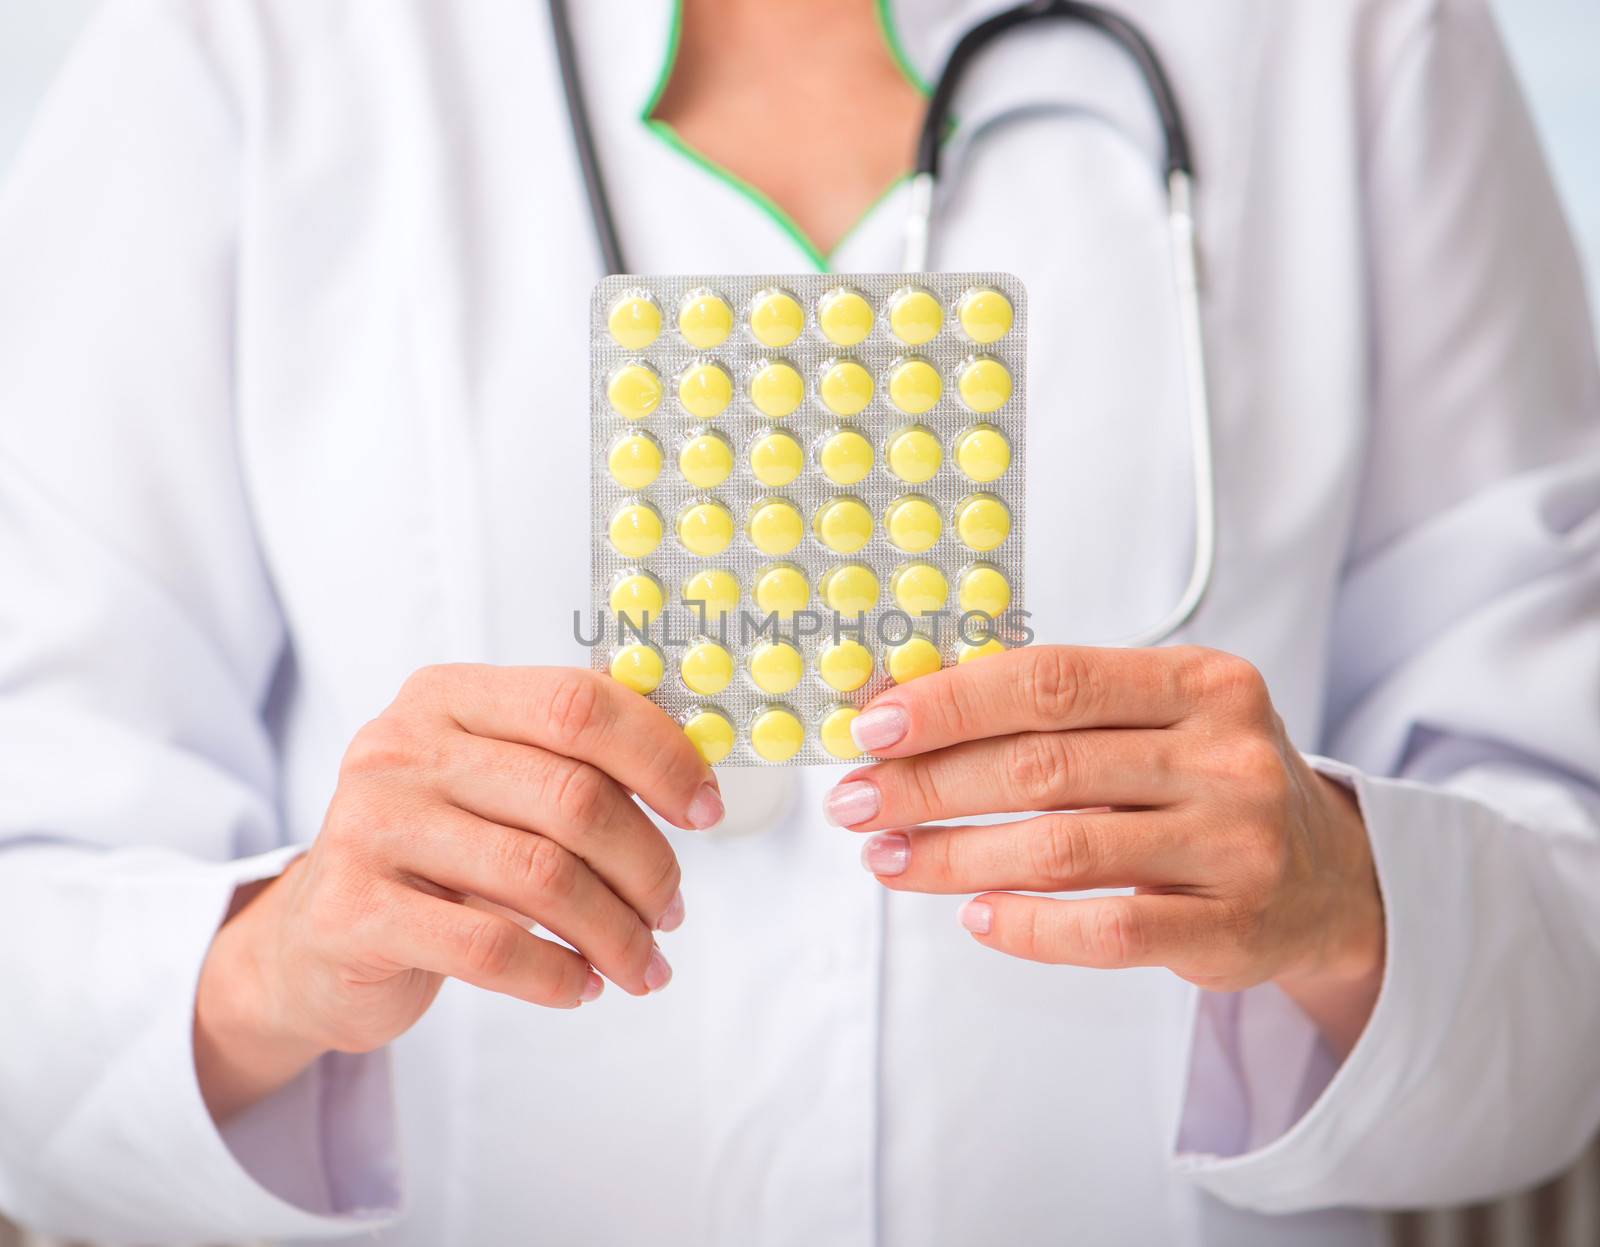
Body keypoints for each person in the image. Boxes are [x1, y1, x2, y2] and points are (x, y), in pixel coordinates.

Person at [1, 0, 1597, 1243]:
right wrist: (270, 970)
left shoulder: (1354, 34)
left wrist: (1349, 902)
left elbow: (1570, 952)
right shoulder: (237, 43)